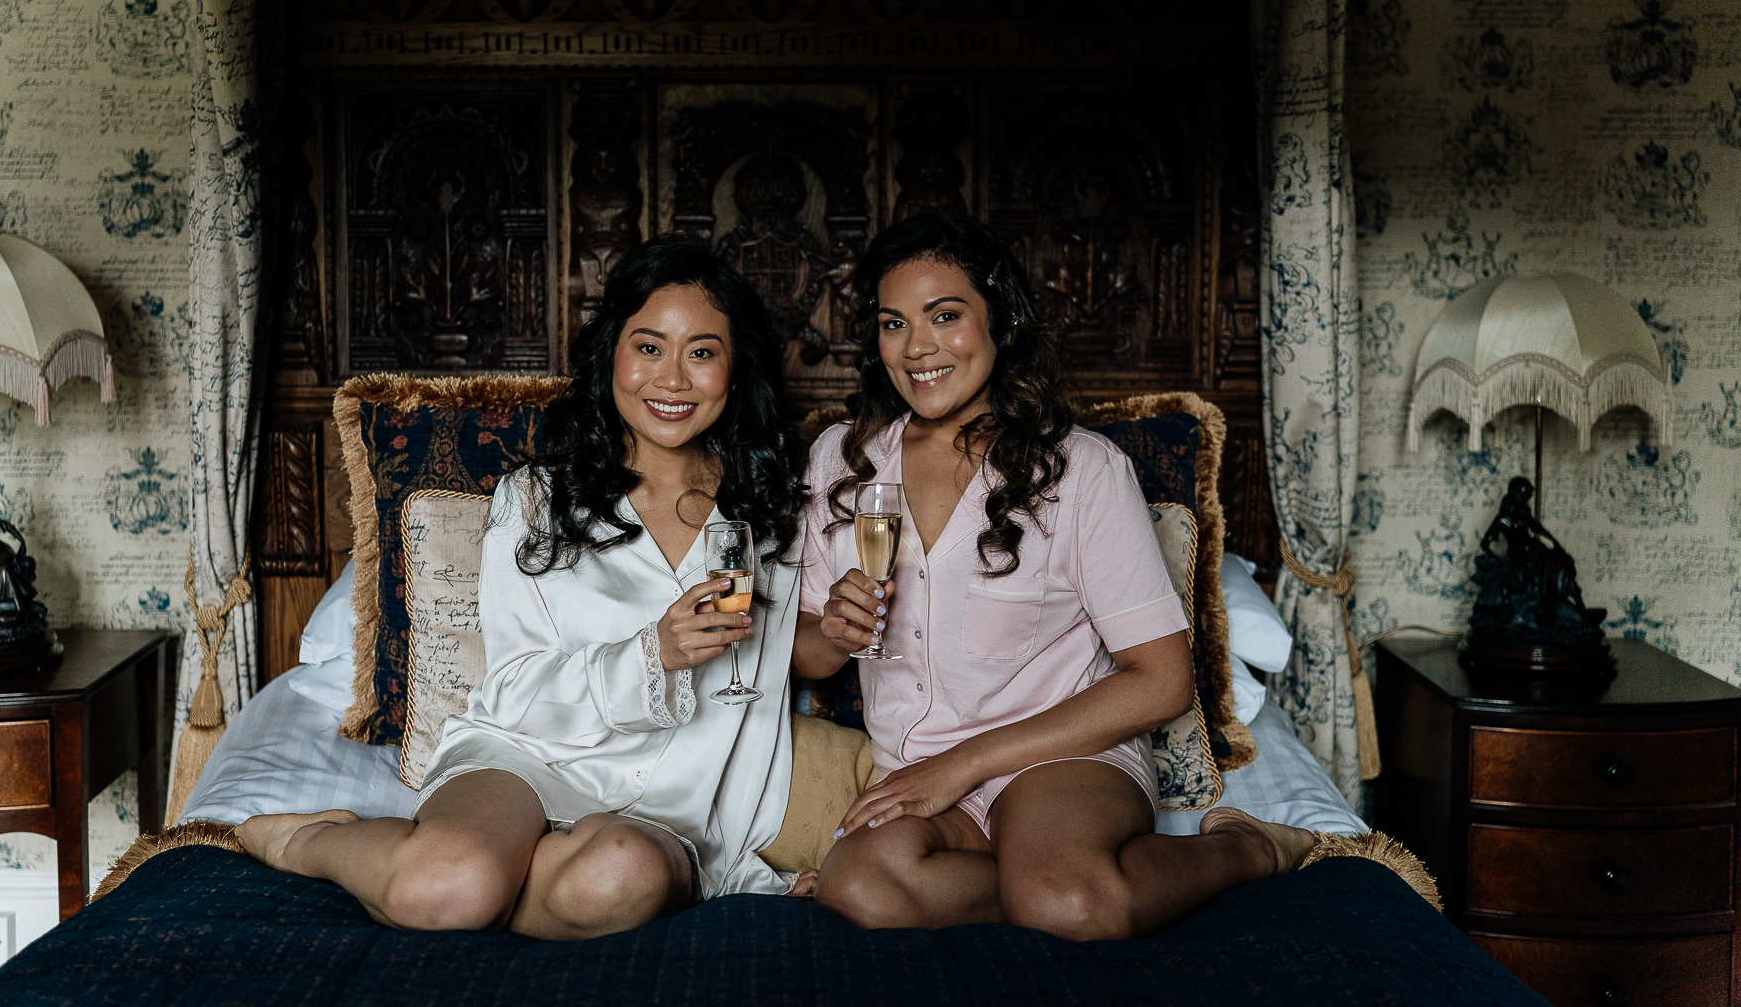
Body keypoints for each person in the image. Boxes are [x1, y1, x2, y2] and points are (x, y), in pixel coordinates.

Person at [240, 234, 808, 938]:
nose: (672, 378)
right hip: (529, 758)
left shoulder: (772, 514)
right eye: (649, 346)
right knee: (447, 886)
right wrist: (650, 652)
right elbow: (512, 689)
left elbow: (772, 675)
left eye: (701, 352)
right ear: (612, 358)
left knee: (620, 875)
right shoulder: (534, 500)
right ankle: (317, 840)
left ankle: (500, 879)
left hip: (666, 808)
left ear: (733, 368)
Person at [793, 213, 1314, 941]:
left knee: (1068, 902)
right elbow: (808, 649)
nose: (917, 349)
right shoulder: (840, 461)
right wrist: (836, 631)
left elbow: (1161, 682)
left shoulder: (1081, 469)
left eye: (946, 316)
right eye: (893, 323)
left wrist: (964, 764)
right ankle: (1031, 878)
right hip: (917, 768)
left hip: (1062, 757)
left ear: (1001, 321)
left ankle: (1245, 846)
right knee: (860, 886)